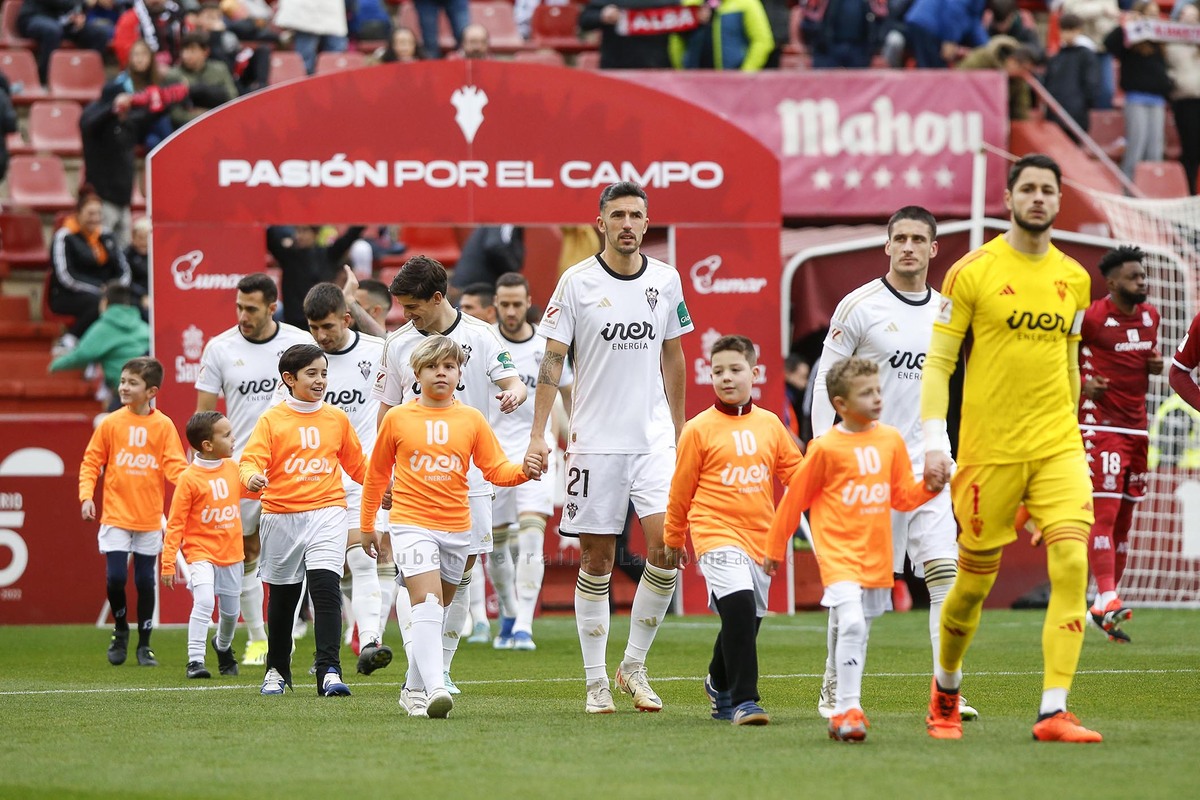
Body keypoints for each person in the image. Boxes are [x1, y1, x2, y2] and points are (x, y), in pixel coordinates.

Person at [921, 153, 1102, 743]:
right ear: (1009, 198)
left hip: (1057, 448)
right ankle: (945, 689)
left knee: (1073, 563)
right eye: (1028, 188)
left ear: (1058, 200)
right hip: (988, 454)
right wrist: (932, 441)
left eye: (1049, 190)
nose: (1039, 198)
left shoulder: (1075, 278)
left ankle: (1054, 710)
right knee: (972, 585)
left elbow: (1070, 365)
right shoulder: (971, 270)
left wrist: (1075, 429)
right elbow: (941, 363)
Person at [525, 181, 693, 714]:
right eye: (616, 214)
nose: (626, 223)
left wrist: (681, 425)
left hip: (653, 441)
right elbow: (553, 361)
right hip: (595, 442)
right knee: (596, 560)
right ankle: (596, 679)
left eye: (635, 215)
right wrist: (537, 433)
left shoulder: (666, 281)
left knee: (666, 550)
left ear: (647, 224)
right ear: (600, 222)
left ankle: (634, 666)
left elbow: (673, 355)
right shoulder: (574, 283)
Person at [809, 205, 977, 723]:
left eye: (917, 239)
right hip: (866, 468)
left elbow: (959, 389)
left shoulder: (948, 312)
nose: (907, 247)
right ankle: (836, 685)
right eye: (899, 238)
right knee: (859, 587)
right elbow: (824, 381)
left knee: (943, 572)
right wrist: (826, 450)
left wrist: (950, 449)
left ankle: (947, 689)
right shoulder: (858, 307)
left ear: (932, 249)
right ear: (887, 246)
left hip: (929, 465)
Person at [362, 335, 540, 717]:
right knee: (425, 602)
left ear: (460, 373)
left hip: (458, 526)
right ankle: (437, 687)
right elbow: (376, 475)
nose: (440, 373)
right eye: (432, 367)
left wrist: (525, 471)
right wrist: (367, 525)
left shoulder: (472, 418)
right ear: (417, 373)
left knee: (438, 609)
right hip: (411, 523)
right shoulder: (397, 417)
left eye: (448, 366)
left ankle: (412, 689)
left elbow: (495, 470)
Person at [371, 255, 526, 694]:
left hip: (470, 479)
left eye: (412, 306)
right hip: (415, 480)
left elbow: (512, 381)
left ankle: (434, 671)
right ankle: (427, 676)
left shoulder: (479, 334)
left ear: (437, 297)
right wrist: (383, 477)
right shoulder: (398, 343)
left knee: (458, 580)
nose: (405, 314)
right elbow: (385, 413)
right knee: (415, 578)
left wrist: (514, 393)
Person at [766, 357, 941, 741]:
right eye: (866, 393)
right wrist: (774, 549)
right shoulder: (825, 447)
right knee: (853, 622)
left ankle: (845, 708)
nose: (878, 398)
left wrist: (929, 486)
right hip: (838, 553)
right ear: (841, 404)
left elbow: (901, 495)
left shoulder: (890, 439)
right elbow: (793, 501)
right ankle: (848, 708)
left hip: (876, 554)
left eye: (878, 390)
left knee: (860, 631)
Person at [664, 335, 803, 726]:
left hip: (761, 538)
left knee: (747, 620)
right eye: (718, 370)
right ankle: (746, 701)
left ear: (755, 373)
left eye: (735, 369)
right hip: (715, 533)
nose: (726, 377)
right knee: (739, 606)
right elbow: (680, 491)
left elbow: (796, 475)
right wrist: (673, 539)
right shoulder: (697, 429)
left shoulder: (771, 425)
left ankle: (718, 681)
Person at [195, 274, 315, 666]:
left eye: (251, 308)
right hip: (242, 466)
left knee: (301, 551)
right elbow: (202, 418)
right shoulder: (220, 348)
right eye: (238, 307)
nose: (243, 315)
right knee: (245, 550)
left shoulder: (297, 344)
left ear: (271, 306)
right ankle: (259, 639)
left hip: (296, 464)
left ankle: (295, 629)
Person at [239, 343, 368, 696]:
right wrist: (251, 478)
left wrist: (384, 486)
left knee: (326, 588)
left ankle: (329, 671)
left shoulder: (336, 418)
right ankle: (277, 671)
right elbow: (250, 461)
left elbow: (358, 466)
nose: (320, 380)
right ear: (289, 378)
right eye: (312, 373)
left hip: (328, 511)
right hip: (281, 516)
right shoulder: (271, 419)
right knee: (282, 598)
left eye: (324, 373)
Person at [302, 283, 395, 675]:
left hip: (367, 473)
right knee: (322, 568)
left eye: (327, 326)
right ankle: (328, 640)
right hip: (319, 477)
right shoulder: (305, 364)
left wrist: (355, 300)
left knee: (363, 556)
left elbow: (401, 347)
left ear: (345, 318)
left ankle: (369, 638)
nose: (321, 336)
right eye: (313, 328)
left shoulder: (376, 352)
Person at [79, 357, 187, 668]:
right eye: (123, 381)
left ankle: (145, 644)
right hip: (115, 515)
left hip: (149, 518)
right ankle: (121, 629)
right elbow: (91, 463)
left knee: (144, 582)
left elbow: (176, 468)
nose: (124, 387)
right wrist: (86, 496)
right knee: (114, 577)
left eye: (132, 383)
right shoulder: (111, 423)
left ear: (151, 391)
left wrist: (194, 488)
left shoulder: (163, 425)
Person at [486, 273, 574, 650]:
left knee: (531, 536)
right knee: (496, 545)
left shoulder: (546, 345)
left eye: (516, 304)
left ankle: (524, 625)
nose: (510, 311)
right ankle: (508, 609)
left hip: (536, 448)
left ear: (528, 302)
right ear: (495, 303)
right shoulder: (484, 342)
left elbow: (569, 393)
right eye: (503, 304)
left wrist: (577, 438)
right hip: (489, 453)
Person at [1080, 246, 1161, 642]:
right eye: (1133, 277)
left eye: (1142, 276)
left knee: (1126, 523)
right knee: (1106, 514)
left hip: (1137, 430)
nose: (1141, 282)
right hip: (1103, 428)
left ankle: (1101, 606)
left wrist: (1154, 363)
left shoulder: (1151, 316)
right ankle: (1109, 595)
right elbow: (1063, 354)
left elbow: (1143, 357)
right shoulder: (1094, 318)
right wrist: (1082, 381)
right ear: (1111, 284)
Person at [161, 411, 245, 679]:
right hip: (200, 553)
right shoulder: (189, 478)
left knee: (231, 614)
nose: (234, 439)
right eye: (227, 435)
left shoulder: (233, 468)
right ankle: (195, 661)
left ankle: (222, 646)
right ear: (207, 445)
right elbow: (175, 524)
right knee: (205, 600)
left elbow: (255, 490)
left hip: (232, 553)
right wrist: (167, 563)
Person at [48, 191, 132, 355]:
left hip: (106, 292)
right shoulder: (64, 236)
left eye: (99, 213)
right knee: (98, 303)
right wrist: (99, 289)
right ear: (78, 214)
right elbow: (66, 276)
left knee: (133, 302)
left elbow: (123, 269)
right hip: (67, 294)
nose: (95, 218)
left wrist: (114, 290)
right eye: (90, 213)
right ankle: (70, 339)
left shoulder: (107, 235)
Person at [49, 282, 150, 409]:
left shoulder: (103, 328)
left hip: (127, 393)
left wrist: (54, 365)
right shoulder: (144, 327)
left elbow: (81, 355)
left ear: (104, 303)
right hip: (150, 392)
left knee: (108, 424)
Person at [1105, 1, 1173, 179]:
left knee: (1155, 148)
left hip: (1157, 100)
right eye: (1148, 13)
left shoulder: (1160, 43)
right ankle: (1129, 188)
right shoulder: (1130, 39)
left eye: (1155, 14)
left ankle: (1153, 186)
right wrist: (1127, 24)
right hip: (1136, 99)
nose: (1152, 17)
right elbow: (1109, 44)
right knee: (1137, 144)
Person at [267, 224, 367, 329]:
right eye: (298, 231)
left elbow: (349, 237)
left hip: (321, 317)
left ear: (315, 234)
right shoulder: (288, 256)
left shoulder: (328, 254)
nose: (299, 236)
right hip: (294, 320)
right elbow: (270, 235)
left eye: (304, 231)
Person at [17, 0, 112, 83]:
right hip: (35, 17)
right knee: (52, 31)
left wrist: (79, 15)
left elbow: (76, 7)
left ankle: (88, 75)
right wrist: (83, 2)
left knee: (100, 34)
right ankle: (44, 79)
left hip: (63, 23)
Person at [670, 0, 774, 70]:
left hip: (731, 80)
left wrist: (746, 72)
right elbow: (676, 42)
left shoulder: (746, 3)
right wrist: (682, 73)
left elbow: (762, 41)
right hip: (694, 83)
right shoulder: (690, 4)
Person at [1043, 13, 1101, 138]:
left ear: (1078, 30)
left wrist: (1085, 103)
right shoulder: (1056, 56)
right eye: (1064, 29)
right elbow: (1049, 83)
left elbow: (1091, 82)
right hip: (1055, 112)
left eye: (1071, 29)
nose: (1067, 34)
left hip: (1077, 112)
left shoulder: (1086, 54)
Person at [168, 32, 238, 129]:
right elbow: (176, 114)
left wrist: (210, 113)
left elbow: (232, 97)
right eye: (184, 50)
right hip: (190, 126)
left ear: (205, 52)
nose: (185, 55)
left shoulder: (220, 69)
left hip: (222, 120)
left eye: (192, 50)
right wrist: (202, 116)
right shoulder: (174, 75)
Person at [579, 0, 676, 68]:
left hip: (659, 67)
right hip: (617, 67)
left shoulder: (670, 2)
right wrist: (602, 15)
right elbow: (584, 20)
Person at [956, 36, 1034, 120]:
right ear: (1012, 61)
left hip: (994, 120)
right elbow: (957, 81)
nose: (1024, 73)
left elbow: (1020, 108)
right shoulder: (980, 60)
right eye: (1023, 69)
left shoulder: (1018, 79)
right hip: (968, 114)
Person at [1167, 3, 1200, 194]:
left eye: (1195, 17)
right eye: (1187, 17)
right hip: (1185, 100)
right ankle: (1189, 194)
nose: (1191, 21)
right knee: (1191, 150)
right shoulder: (1169, 44)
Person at [798, 0, 888, 69]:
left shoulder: (866, 3)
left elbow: (881, 20)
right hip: (828, 49)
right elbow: (808, 21)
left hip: (859, 49)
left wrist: (874, 48)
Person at [273, 0, 350, 74]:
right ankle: (305, 84)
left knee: (333, 59)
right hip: (303, 15)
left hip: (330, 13)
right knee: (305, 62)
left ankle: (331, 82)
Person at [903, 0, 987, 67]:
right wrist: (950, 39)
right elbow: (955, 9)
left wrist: (987, 48)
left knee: (931, 67)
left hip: (922, 21)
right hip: (927, 24)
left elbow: (974, 22)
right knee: (933, 70)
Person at [113, 0, 187, 68]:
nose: (156, 1)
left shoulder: (179, 15)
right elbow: (124, 53)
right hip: (142, 73)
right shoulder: (129, 19)